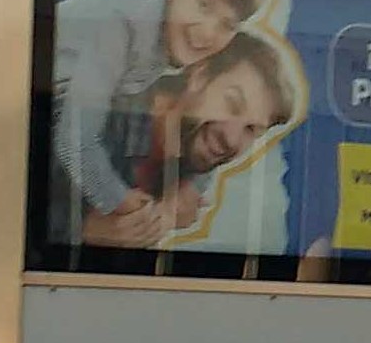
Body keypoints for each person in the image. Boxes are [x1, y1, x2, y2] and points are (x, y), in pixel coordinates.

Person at [51, 0, 270, 239]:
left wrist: (190, 187)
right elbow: (73, 141)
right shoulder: (120, 27)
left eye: (227, 24)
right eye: (204, 4)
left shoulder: (196, 49)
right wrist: (120, 202)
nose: (208, 33)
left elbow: (207, 126)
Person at [52, 28, 297, 249]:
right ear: (200, 76)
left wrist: (182, 194)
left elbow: (201, 172)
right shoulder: (100, 119)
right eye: (232, 103)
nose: (232, 139)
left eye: (251, 129)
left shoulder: (194, 145)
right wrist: (84, 231)